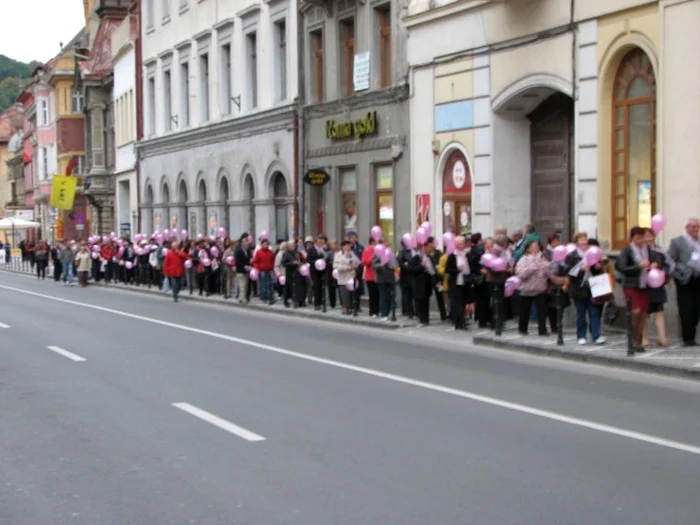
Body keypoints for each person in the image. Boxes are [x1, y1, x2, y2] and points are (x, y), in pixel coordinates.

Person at [564, 232, 606, 345]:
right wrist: (581, 270)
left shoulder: (592, 251)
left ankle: (596, 335)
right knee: (581, 313)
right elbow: (568, 272)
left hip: (593, 286)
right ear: (576, 242)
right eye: (581, 239)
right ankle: (581, 335)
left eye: (585, 239)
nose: (584, 241)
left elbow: (601, 267)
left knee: (594, 312)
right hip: (579, 287)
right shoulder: (572, 255)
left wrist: (598, 267)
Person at [615, 226, 652, 355]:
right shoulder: (627, 250)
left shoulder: (648, 249)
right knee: (635, 312)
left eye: (642, 237)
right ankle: (632, 338)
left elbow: (657, 259)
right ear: (632, 238)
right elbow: (622, 266)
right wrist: (638, 266)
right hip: (631, 285)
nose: (640, 240)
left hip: (645, 285)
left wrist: (654, 264)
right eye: (637, 238)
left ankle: (638, 341)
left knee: (643, 313)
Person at [668, 218, 700, 347]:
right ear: (687, 227)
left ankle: (692, 334)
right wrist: (678, 273)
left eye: (697, 227)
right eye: (693, 227)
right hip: (684, 279)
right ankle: (688, 338)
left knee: (697, 309)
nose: (696, 230)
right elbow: (670, 260)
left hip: (698, 278)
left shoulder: (699, 241)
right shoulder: (677, 242)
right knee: (686, 309)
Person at [642, 228, 672, 348]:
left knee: (659, 311)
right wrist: (647, 267)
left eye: (651, 236)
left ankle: (662, 337)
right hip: (644, 285)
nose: (649, 239)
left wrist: (662, 271)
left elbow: (668, 264)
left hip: (658, 285)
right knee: (645, 313)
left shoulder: (660, 250)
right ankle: (645, 338)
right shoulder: (641, 251)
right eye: (646, 236)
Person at [515, 240, 551, 336]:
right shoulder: (523, 259)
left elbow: (549, 271)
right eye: (533, 246)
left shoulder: (543, 258)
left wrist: (546, 268)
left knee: (542, 310)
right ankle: (522, 329)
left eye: (537, 246)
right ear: (528, 249)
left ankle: (542, 330)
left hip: (540, 288)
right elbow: (521, 274)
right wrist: (532, 268)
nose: (535, 248)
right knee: (525, 310)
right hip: (527, 289)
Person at [445, 236, 471, 330]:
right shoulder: (452, 256)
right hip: (456, 283)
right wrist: (457, 270)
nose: (462, 245)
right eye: (460, 243)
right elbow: (447, 269)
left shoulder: (466, 255)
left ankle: (461, 321)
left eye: (463, 243)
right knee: (458, 303)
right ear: (456, 245)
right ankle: (460, 322)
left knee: (463, 303)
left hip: (465, 282)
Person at [409, 243, 434, 327]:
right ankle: (421, 320)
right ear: (420, 248)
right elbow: (412, 270)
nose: (427, 249)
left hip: (427, 283)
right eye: (425, 248)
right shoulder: (415, 258)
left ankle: (426, 319)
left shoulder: (428, 257)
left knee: (426, 302)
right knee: (420, 303)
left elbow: (432, 268)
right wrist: (422, 266)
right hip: (419, 284)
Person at [334, 240, 360, 315]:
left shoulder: (352, 254)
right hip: (343, 277)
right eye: (346, 246)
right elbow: (335, 266)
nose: (348, 247)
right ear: (342, 247)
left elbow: (358, 262)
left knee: (351, 294)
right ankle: (345, 307)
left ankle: (350, 307)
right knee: (344, 294)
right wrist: (346, 267)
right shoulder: (339, 255)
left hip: (351, 277)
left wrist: (354, 266)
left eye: (349, 246)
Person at [426, 236, 448, 321]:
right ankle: (425, 315)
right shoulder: (426, 254)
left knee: (440, 297)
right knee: (426, 296)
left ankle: (443, 315)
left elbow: (441, 263)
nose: (432, 245)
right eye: (430, 243)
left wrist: (438, 267)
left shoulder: (438, 253)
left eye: (433, 243)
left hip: (437, 278)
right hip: (429, 278)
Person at [308, 235, 329, 310]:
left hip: (322, 270)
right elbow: (309, 260)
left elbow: (327, 258)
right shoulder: (311, 249)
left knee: (321, 286)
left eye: (321, 242)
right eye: (318, 242)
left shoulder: (324, 249)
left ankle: (321, 302)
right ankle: (316, 303)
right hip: (314, 270)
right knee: (316, 286)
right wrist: (316, 262)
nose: (320, 243)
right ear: (315, 242)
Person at [252, 238, 276, 304]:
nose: (266, 245)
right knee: (263, 284)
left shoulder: (270, 252)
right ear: (262, 244)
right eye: (264, 244)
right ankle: (263, 296)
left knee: (270, 283)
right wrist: (258, 268)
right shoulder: (258, 252)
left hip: (269, 270)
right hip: (262, 270)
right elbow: (255, 261)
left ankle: (270, 296)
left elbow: (273, 260)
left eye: (267, 244)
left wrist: (272, 267)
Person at [361, 238, 379, 317]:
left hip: (380, 275)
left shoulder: (381, 250)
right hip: (370, 276)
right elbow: (364, 262)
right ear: (372, 242)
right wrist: (372, 257)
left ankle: (379, 310)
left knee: (379, 294)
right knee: (373, 294)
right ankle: (373, 311)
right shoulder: (367, 250)